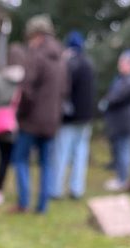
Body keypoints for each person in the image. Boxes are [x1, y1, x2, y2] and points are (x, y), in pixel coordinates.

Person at [12, 15, 66, 214]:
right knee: (46, 164)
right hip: (51, 121)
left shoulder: (36, 56)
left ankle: (24, 202)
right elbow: (63, 91)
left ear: (36, 35)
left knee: (20, 159)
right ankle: (42, 206)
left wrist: (21, 114)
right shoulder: (61, 58)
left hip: (31, 121)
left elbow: (26, 90)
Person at [50, 31, 95, 200]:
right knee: (80, 153)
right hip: (86, 117)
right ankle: (77, 189)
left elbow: (63, 91)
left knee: (62, 153)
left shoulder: (69, 64)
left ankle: (56, 189)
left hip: (70, 118)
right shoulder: (89, 64)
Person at [0, 44, 26, 206]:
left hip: (1, 126)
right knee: (20, 160)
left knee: (3, 160)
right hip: (21, 125)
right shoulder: (26, 80)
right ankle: (21, 192)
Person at [102, 50, 130, 191]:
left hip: (126, 122)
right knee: (121, 150)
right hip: (120, 121)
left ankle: (123, 180)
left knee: (124, 151)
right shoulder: (123, 79)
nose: (120, 65)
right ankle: (121, 178)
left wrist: (108, 101)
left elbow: (116, 97)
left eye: (123, 62)